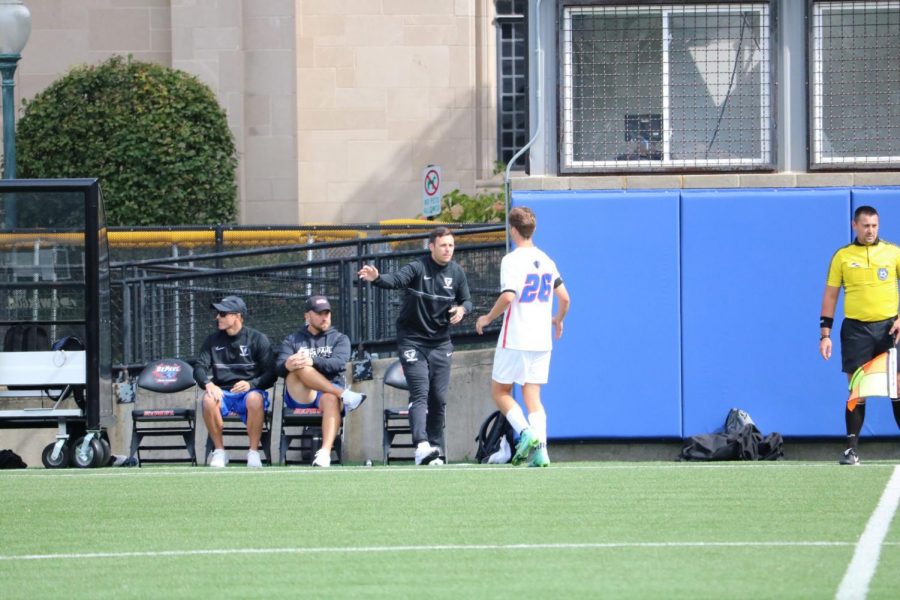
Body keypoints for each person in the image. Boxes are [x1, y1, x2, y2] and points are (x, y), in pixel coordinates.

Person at [357, 226, 472, 465]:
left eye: (451, 245)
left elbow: (467, 300)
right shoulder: (418, 267)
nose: (448, 249)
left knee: (438, 398)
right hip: (412, 341)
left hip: (441, 343)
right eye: (443, 245)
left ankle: (435, 448)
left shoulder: (457, 273)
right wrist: (377, 278)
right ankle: (421, 446)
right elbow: (396, 280)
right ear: (431, 247)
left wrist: (462, 310)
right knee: (420, 392)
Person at [475, 206, 570, 467]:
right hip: (541, 339)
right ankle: (542, 451)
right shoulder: (547, 260)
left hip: (516, 337)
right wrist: (557, 320)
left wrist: (487, 318)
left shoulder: (512, 260)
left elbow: (508, 296)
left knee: (500, 390)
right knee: (533, 397)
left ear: (513, 230)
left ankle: (526, 433)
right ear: (534, 229)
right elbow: (565, 298)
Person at [820, 205, 900, 466]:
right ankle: (851, 449)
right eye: (866, 225)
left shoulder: (892, 252)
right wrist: (825, 334)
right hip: (856, 331)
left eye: (875, 225)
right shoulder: (842, 257)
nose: (871, 230)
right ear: (855, 225)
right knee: (857, 390)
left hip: (890, 329)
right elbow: (831, 295)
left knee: (897, 387)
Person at [275, 295, 367, 467]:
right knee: (299, 364)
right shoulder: (292, 339)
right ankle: (344, 395)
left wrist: (313, 361)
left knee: (330, 397)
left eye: (327, 313)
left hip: (327, 394)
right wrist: (287, 364)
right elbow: (278, 368)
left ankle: (324, 453)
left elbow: (338, 364)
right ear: (307, 316)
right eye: (319, 313)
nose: (324, 317)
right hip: (302, 395)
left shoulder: (340, 338)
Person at [194, 295, 276, 468]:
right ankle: (220, 452)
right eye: (218, 314)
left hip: (249, 392)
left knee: (255, 399)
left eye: (223, 314)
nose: (218, 317)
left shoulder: (258, 339)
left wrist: (251, 384)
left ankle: (253, 453)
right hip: (222, 393)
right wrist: (208, 384)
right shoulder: (211, 340)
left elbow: (272, 373)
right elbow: (199, 367)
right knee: (208, 399)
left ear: (237, 316)